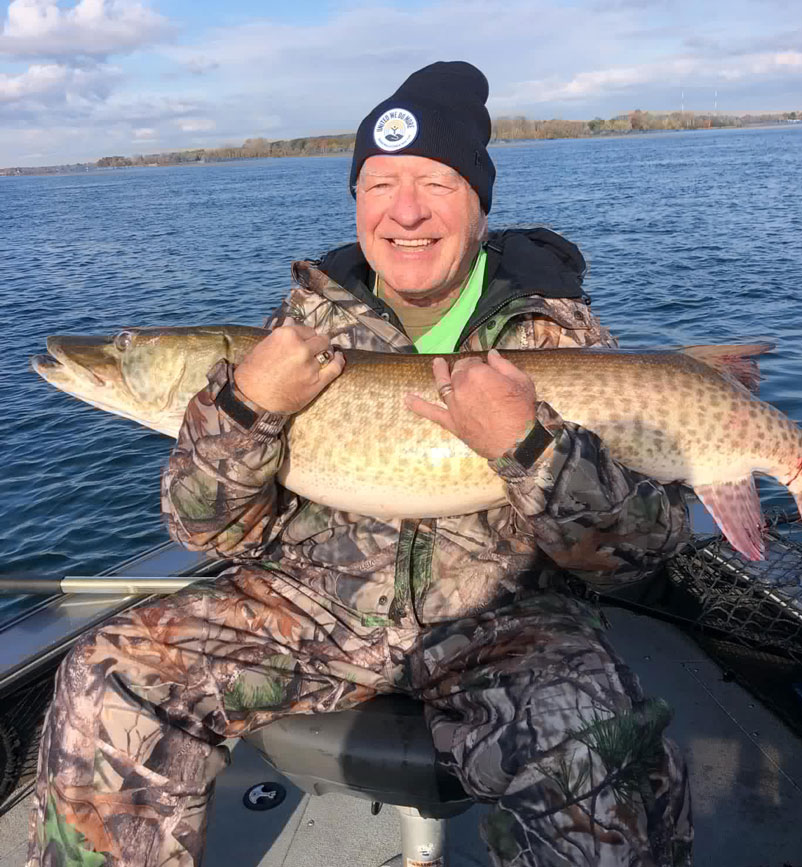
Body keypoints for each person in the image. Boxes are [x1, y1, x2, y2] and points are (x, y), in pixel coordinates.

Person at [28, 61, 692, 867]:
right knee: (110, 671)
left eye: (435, 183)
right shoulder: (297, 331)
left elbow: (641, 552)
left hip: (507, 621)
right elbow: (204, 527)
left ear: (479, 202)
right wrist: (244, 410)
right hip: (309, 610)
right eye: (379, 184)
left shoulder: (558, 342)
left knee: (600, 756)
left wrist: (530, 447)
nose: (404, 211)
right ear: (356, 199)